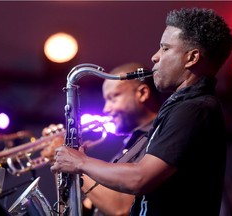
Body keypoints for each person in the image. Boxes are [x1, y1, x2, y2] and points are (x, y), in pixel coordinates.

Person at [51, 7, 232, 215]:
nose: (155, 57)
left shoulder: (196, 108)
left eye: (165, 48)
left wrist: (80, 162)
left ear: (192, 58)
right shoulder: (182, 107)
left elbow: (140, 179)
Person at [41, 62, 162, 215]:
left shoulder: (157, 136)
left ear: (143, 93)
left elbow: (120, 209)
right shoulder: (128, 148)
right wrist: (60, 162)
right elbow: (81, 210)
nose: (106, 109)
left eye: (113, 98)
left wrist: (74, 162)